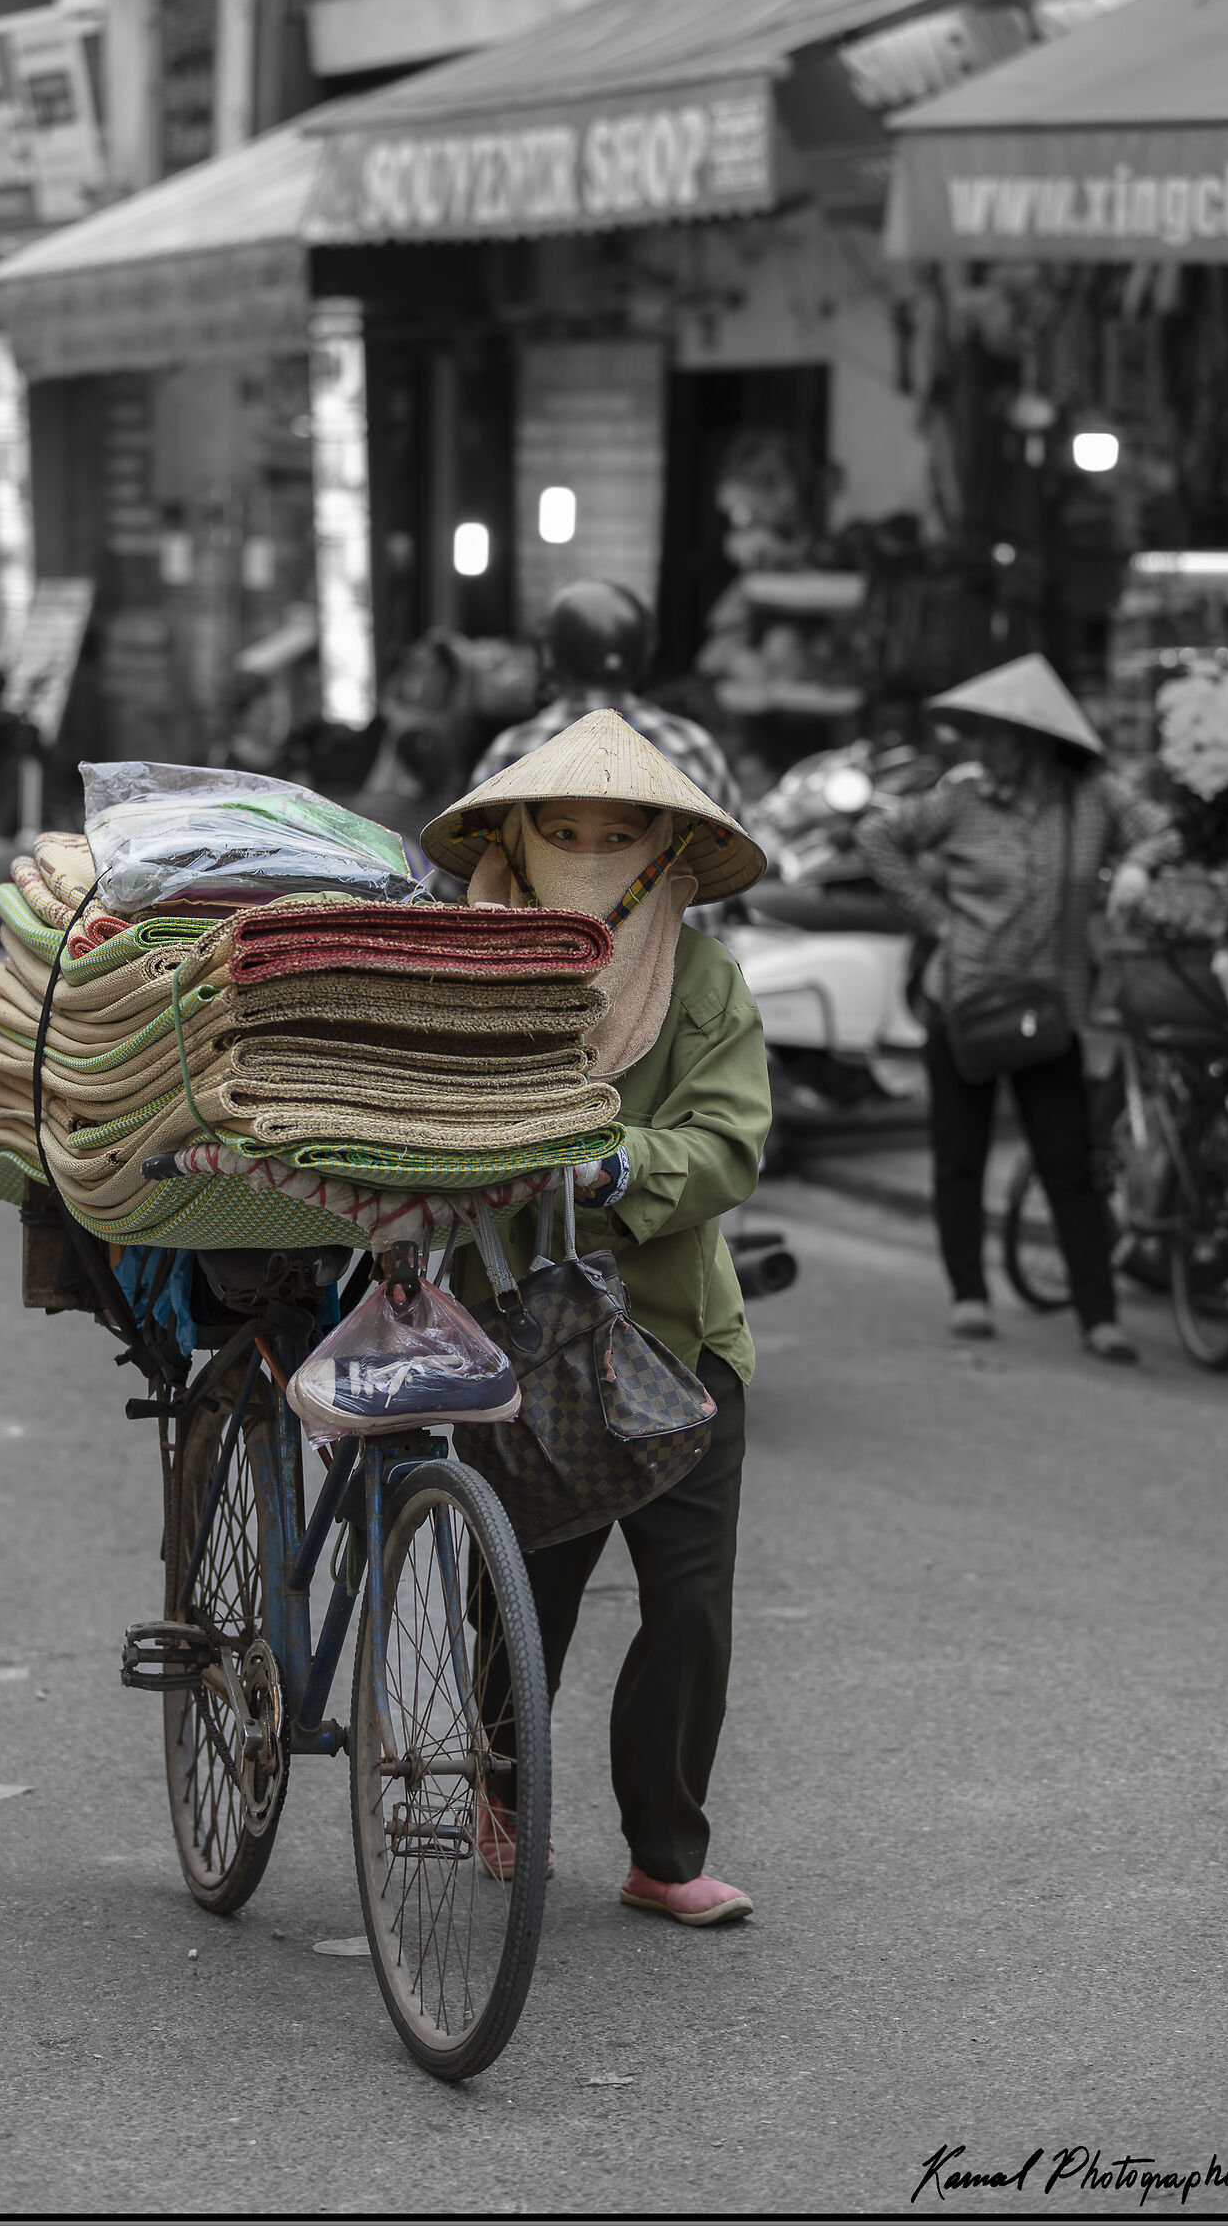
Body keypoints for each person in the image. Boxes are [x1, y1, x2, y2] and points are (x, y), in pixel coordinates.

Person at [421, 709, 770, 1926]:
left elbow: (730, 1145)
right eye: (562, 830)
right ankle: (501, 1790)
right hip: (516, 1332)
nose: (588, 849)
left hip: (677, 1338)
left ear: (663, 848)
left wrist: (611, 1166)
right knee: (525, 1589)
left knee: (690, 1606)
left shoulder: (707, 977)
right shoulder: (456, 964)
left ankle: (664, 1855)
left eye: (616, 834)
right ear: (512, 837)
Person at [854, 654, 1174, 1363]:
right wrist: (935, 918)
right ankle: (969, 1293)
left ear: (1033, 740)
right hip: (961, 1003)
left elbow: (1164, 829)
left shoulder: (1091, 797)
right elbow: (877, 838)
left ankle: (1100, 1315)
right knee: (958, 1155)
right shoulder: (961, 799)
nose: (981, 746)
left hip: (1050, 1010)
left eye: (995, 733)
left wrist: (1138, 867)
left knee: (1069, 1161)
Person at [471, 580, 745, 822]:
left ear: (551, 654)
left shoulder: (511, 752)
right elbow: (738, 857)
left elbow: (458, 867)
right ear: (643, 653)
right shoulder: (693, 746)